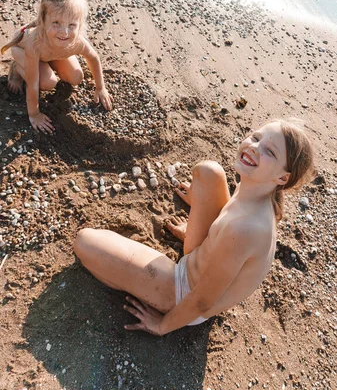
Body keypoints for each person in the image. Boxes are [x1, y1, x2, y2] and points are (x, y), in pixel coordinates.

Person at [74, 119, 314, 335]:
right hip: (204, 258)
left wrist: (161, 325)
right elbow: (231, 217)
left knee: (84, 241)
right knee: (208, 172)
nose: (254, 147)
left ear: (283, 178)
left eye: (269, 151)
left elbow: (203, 300)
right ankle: (190, 242)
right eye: (256, 137)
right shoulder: (258, 187)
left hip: (183, 292)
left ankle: (156, 298)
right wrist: (200, 205)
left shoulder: (245, 229)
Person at [1, 0, 112, 133]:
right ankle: (16, 68)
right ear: (43, 20)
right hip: (23, 51)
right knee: (48, 82)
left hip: (51, 52)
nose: (65, 32)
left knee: (76, 77)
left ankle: (49, 62)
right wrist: (34, 114)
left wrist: (100, 88)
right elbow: (33, 84)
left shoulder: (76, 41)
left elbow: (93, 58)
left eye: (72, 25)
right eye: (56, 23)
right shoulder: (34, 44)